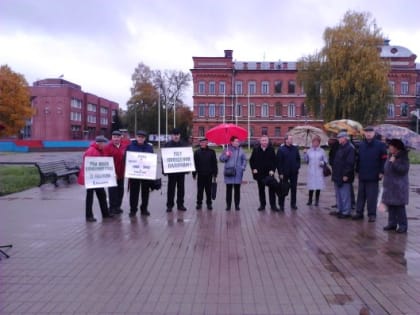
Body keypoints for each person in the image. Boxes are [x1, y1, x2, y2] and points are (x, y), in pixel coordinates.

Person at [352, 126, 387, 222]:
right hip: (362, 174)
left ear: (374, 133)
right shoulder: (362, 145)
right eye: (367, 132)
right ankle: (359, 212)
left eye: (370, 132)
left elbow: (384, 159)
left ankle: (372, 214)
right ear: (364, 133)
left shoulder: (380, 145)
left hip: (374, 175)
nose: (368, 134)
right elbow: (359, 159)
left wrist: (381, 172)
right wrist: (357, 171)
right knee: (361, 195)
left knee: (372, 196)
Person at [77, 135, 113, 222]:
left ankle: (105, 214)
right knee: (90, 197)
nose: (105, 145)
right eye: (104, 143)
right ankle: (89, 216)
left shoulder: (100, 150)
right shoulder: (91, 151)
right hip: (91, 178)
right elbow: (89, 165)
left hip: (97, 178)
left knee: (101, 195)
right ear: (99, 143)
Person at [380, 139, 410, 233]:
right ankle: (392, 223)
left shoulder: (403, 157)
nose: (389, 148)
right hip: (389, 185)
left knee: (399, 207)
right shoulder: (390, 155)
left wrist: (394, 162)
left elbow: (403, 170)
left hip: (399, 186)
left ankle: (403, 226)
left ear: (396, 147)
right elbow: (387, 168)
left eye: (390, 146)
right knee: (391, 205)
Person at [126, 130, 154, 217]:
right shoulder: (130, 146)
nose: (140, 138)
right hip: (134, 174)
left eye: (142, 137)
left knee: (145, 192)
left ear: (145, 138)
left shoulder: (149, 147)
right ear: (136, 137)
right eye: (139, 137)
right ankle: (133, 210)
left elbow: (152, 160)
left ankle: (144, 209)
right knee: (134, 193)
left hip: (146, 174)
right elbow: (125, 158)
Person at [330, 131, 355, 218]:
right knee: (338, 194)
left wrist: (346, 175)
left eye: (340, 138)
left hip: (344, 176)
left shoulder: (350, 148)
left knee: (345, 194)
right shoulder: (341, 147)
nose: (338, 139)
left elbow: (350, 163)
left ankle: (346, 212)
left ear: (345, 138)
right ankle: (340, 209)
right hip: (337, 174)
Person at [249, 135, 278, 211]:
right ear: (260, 141)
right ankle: (262, 205)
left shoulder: (271, 149)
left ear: (268, 141)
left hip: (269, 174)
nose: (264, 142)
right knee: (261, 190)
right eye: (263, 140)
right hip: (259, 174)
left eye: (265, 140)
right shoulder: (256, 149)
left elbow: (275, 161)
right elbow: (251, 160)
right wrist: (254, 168)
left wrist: (273, 170)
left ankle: (273, 205)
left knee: (272, 190)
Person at [164, 128, 189, 212]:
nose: (176, 136)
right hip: (171, 171)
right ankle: (169, 205)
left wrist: (188, 168)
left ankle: (180, 204)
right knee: (171, 188)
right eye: (174, 135)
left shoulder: (184, 144)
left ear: (179, 135)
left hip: (181, 171)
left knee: (181, 188)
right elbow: (164, 158)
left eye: (177, 135)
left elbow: (187, 157)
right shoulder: (167, 145)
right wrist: (164, 170)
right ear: (172, 136)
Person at [220, 136, 247, 211]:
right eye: (236, 141)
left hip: (238, 173)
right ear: (231, 142)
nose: (237, 142)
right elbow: (221, 159)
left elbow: (244, 159)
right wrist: (226, 155)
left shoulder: (241, 150)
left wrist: (243, 167)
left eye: (238, 141)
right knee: (228, 190)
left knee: (237, 190)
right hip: (229, 172)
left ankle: (237, 205)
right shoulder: (227, 149)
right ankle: (228, 205)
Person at [104, 130, 127, 215]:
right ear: (112, 138)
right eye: (114, 137)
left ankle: (118, 206)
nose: (116, 139)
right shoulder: (108, 147)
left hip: (122, 173)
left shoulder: (124, 147)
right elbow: (107, 161)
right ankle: (112, 208)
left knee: (120, 190)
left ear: (120, 138)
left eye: (118, 137)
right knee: (112, 191)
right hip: (112, 174)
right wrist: (113, 173)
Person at [276, 134, 301, 211]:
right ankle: (281, 205)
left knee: (294, 189)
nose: (291, 140)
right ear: (286, 140)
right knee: (283, 189)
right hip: (284, 173)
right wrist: (280, 173)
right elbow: (278, 162)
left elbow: (298, 159)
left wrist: (297, 167)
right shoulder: (281, 149)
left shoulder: (295, 149)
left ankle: (293, 204)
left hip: (294, 173)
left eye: (292, 139)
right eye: (290, 139)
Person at [193, 137, 218, 210]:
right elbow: (195, 164)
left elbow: (214, 163)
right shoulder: (197, 152)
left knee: (208, 190)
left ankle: (209, 203)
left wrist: (215, 173)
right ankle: (199, 203)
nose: (203, 143)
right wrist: (194, 174)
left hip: (209, 174)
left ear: (207, 143)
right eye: (201, 142)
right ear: (200, 143)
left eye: (204, 142)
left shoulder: (212, 152)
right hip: (200, 174)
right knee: (200, 190)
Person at [303, 135, 327, 207]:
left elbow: (325, 160)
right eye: (314, 142)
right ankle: (310, 200)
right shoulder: (309, 151)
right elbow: (306, 160)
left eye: (317, 142)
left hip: (319, 171)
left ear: (319, 143)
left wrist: (322, 163)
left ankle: (317, 200)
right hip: (312, 171)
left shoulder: (322, 151)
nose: (315, 143)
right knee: (311, 186)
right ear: (312, 142)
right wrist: (305, 154)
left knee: (318, 186)